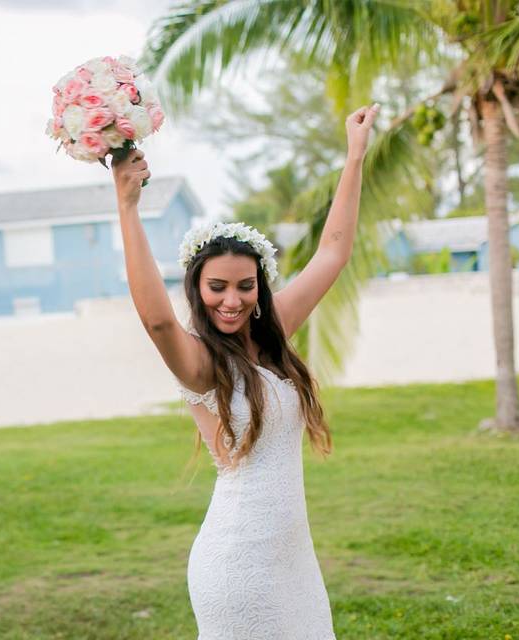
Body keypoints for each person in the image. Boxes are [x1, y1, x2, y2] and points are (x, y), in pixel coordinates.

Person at [111, 104, 380, 639]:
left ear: (260, 287)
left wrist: (354, 156)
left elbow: (332, 253)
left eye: (244, 285)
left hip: (293, 562)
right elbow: (156, 321)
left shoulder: (271, 336)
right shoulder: (202, 365)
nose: (232, 300)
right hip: (238, 564)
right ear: (197, 288)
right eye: (217, 287)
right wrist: (127, 206)